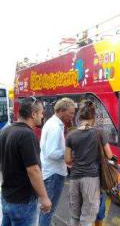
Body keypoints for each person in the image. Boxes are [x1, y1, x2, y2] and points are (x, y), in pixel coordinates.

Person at [0, 97, 52, 225]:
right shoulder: (27, 135)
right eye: (41, 113)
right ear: (33, 114)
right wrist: (44, 198)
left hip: (7, 197)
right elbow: (33, 170)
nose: (42, 116)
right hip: (23, 202)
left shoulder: (6, 131)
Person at [65, 100, 113, 226]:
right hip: (92, 178)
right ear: (93, 117)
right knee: (88, 216)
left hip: (75, 177)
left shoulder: (71, 135)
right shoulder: (99, 133)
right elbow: (109, 155)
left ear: (79, 116)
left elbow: (67, 160)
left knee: (75, 214)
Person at [39, 97, 76, 226]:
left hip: (51, 172)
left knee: (47, 210)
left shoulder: (53, 123)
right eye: (70, 113)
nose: (72, 116)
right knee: (49, 210)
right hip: (54, 174)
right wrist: (69, 155)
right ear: (61, 111)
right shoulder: (55, 127)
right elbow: (51, 152)